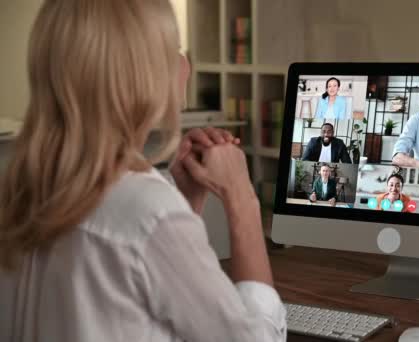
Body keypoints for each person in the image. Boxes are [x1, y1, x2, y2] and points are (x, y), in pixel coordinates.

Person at [0, 1, 286, 341]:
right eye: (175, 50)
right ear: (143, 75)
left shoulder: (20, 190)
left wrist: (184, 200)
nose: (185, 65)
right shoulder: (148, 210)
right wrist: (241, 197)